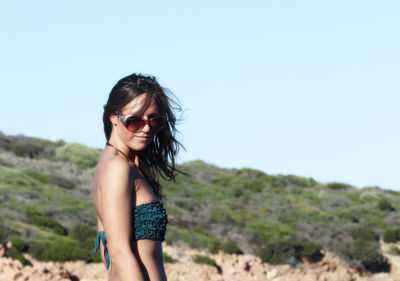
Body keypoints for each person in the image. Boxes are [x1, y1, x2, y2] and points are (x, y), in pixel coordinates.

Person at [93, 73, 183, 281]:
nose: (146, 128)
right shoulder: (117, 168)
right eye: (134, 121)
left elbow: (104, 245)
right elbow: (117, 251)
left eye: (154, 120)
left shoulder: (124, 165)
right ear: (113, 117)